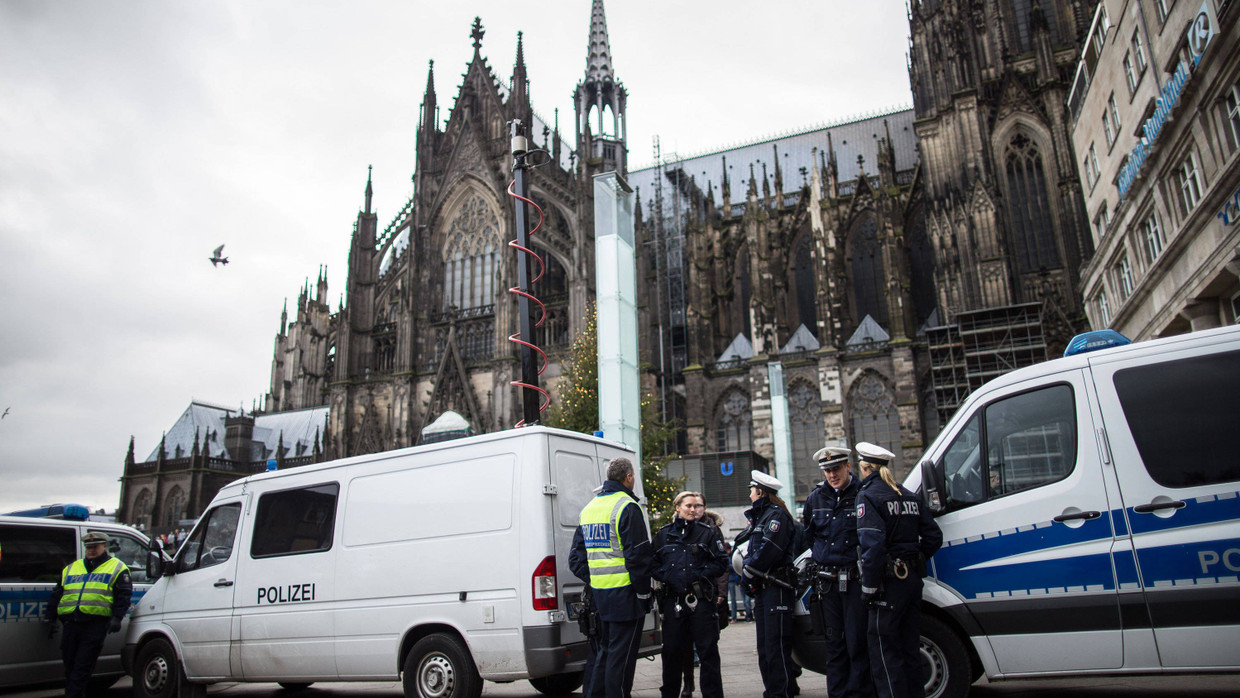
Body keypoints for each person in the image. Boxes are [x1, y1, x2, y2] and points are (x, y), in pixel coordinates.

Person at [855, 442, 943, 698]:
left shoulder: (868, 495)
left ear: (864, 468)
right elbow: (933, 536)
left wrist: (869, 588)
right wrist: (915, 559)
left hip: (887, 585)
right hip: (911, 582)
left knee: (885, 654)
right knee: (909, 650)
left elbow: (872, 546)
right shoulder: (907, 495)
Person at [571, 457, 654, 698]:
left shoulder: (589, 509)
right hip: (625, 596)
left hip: (599, 597)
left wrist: (596, 578)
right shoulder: (627, 506)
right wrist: (644, 594)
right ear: (628, 477)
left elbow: (576, 559)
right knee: (621, 661)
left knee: (604, 654)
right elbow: (638, 557)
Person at [803, 445, 874, 698]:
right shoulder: (816, 498)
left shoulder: (863, 494)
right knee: (834, 644)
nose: (832, 475)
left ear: (847, 466)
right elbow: (809, 535)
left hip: (854, 581)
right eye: (827, 471)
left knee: (857, 642)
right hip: (828, 583)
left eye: (836, 469)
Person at [652, 491, 728, 698]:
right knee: (672, 651)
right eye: (688, 506)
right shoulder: (664, 535)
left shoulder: (707, 533)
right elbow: (652, 564)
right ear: (677, 507)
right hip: (673, 600)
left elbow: (721, 562)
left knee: (708, 650)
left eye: (696, 506)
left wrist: (700, 574)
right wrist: (668, 576)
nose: (693, 510)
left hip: (700, 600)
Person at [43, 531, 133, 698]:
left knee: (82, 667)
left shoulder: (117, 567)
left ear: (104, 546)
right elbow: (57, 594)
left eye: (95, 547)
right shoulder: (72, 568)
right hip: (71, 625)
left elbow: (123, 596)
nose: (91, 550)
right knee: (70, 666)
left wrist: (117, 617)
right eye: (88, 547)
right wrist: (50, 617)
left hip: (94, 626)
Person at [736, 470, 799, 698]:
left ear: (760, 492)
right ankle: (774, 691)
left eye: (752, 491)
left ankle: (780, 693)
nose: (750, 495)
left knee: (775, 647)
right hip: (764, 588)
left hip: (777, 586)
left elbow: (768, 551)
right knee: (765, 648)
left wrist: (747, 573)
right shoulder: (762, 516)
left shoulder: (776, 516)